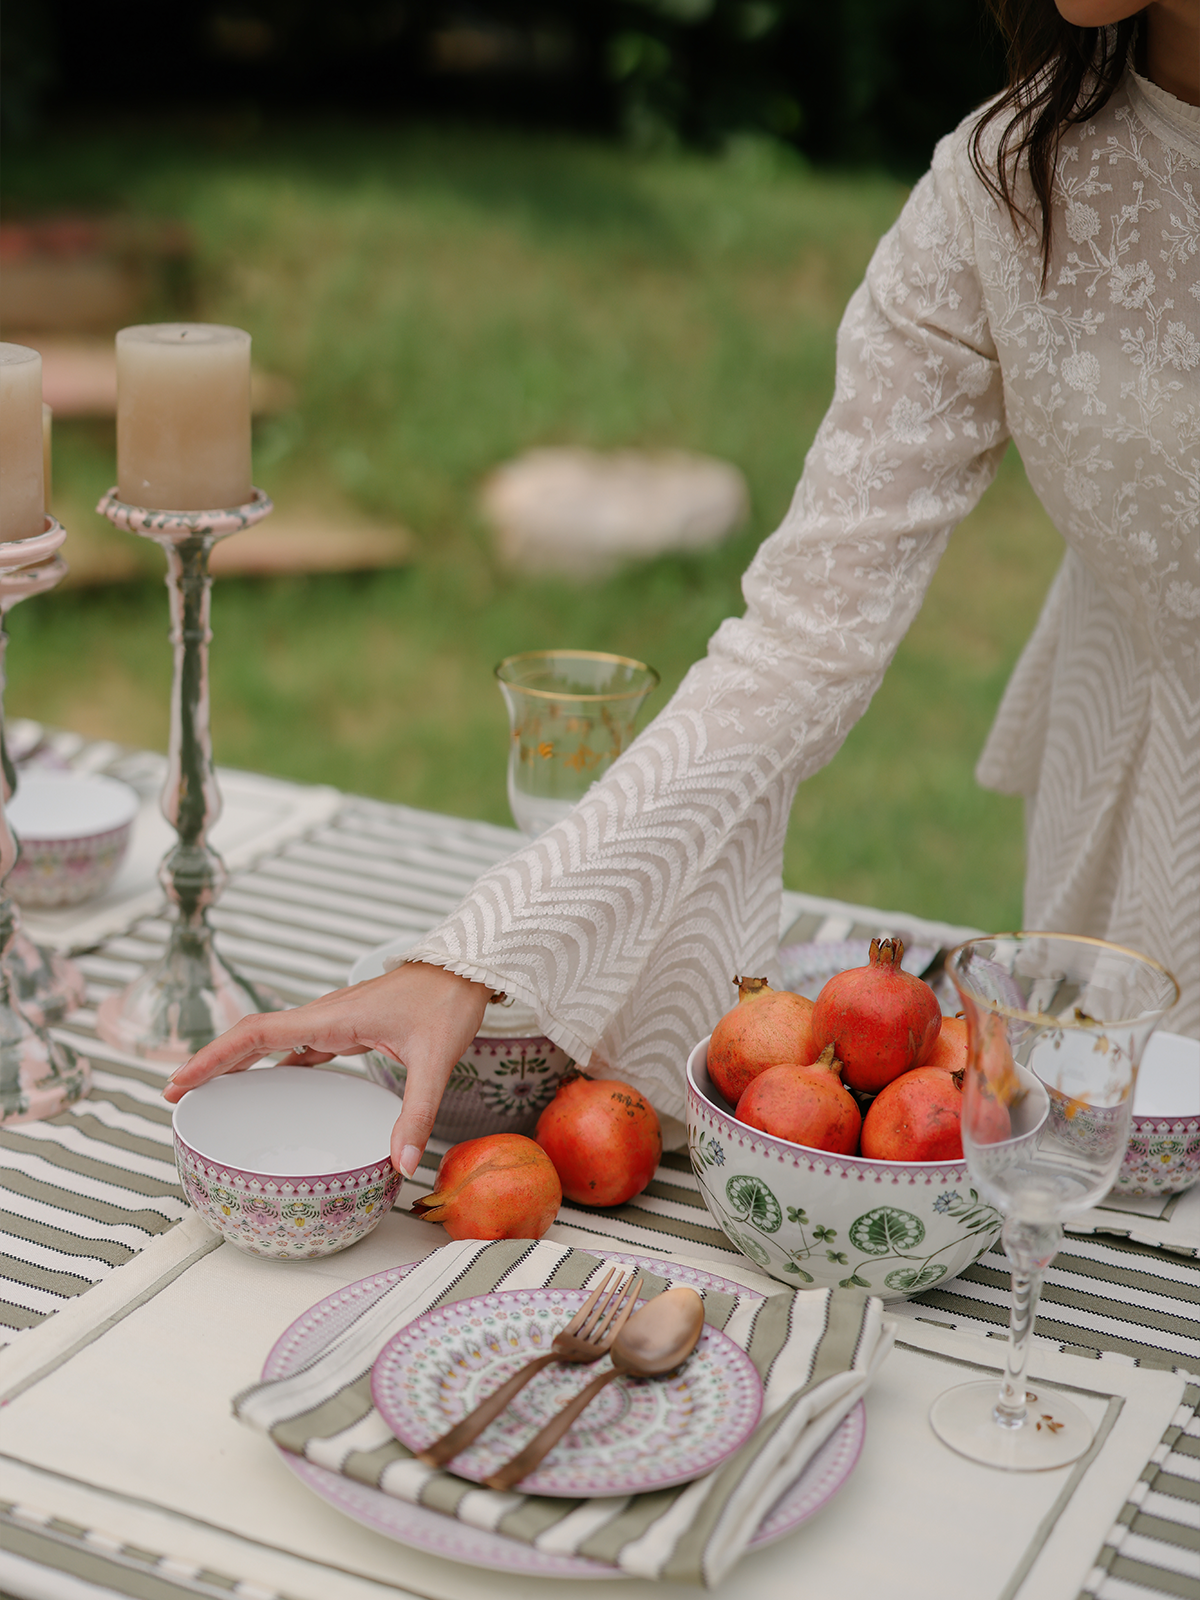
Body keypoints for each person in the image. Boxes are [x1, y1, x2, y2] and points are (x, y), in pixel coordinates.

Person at [166, 0, 1200, 1176]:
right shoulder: (1005, 190)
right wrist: (471, 960)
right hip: (1128, 822)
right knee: (1093, 1223)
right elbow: (802, 637)